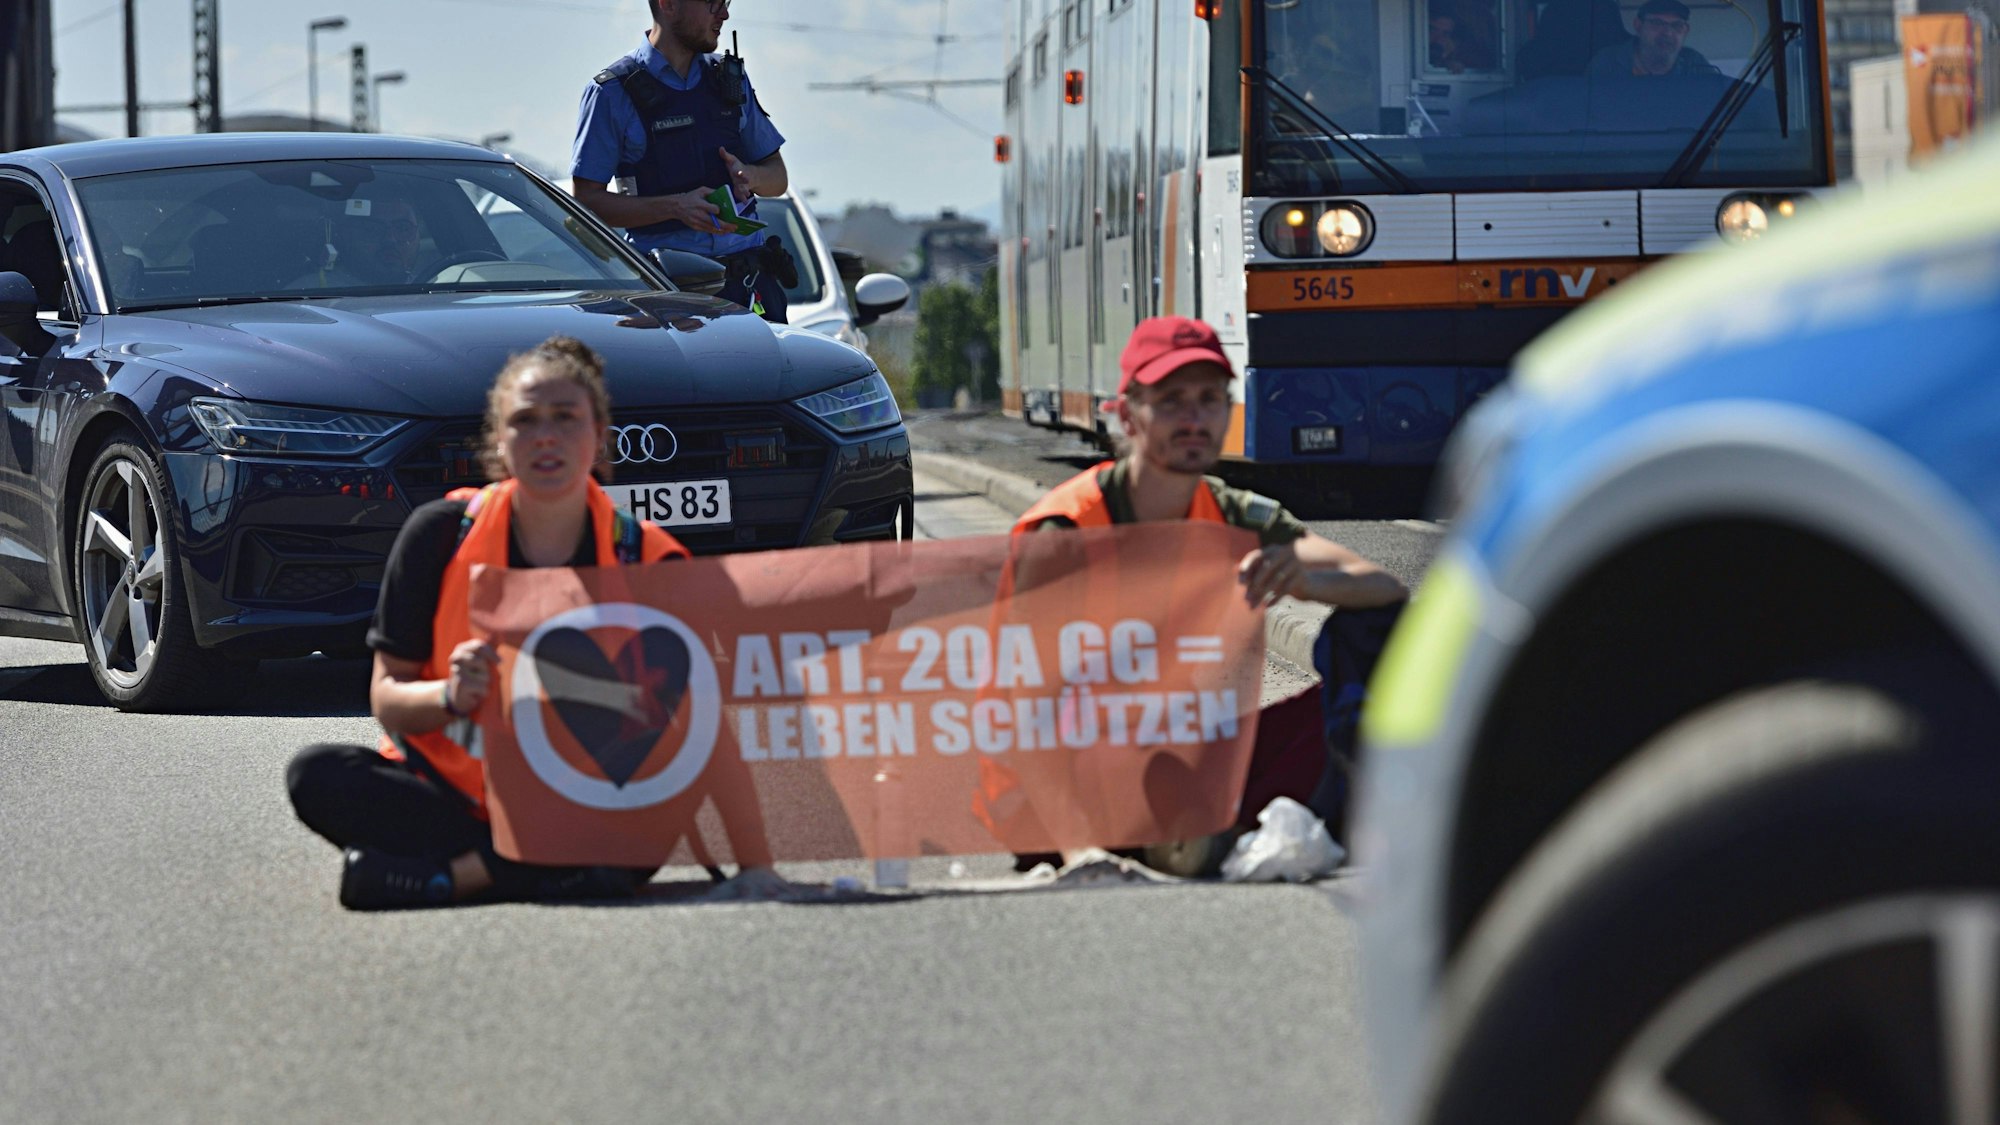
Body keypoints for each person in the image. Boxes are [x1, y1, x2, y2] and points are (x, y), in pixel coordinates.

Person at [286, 337, 778, 909]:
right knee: (317, 773)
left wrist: (757, 865)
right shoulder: (440, 534)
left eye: (566, 418)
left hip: (587, 803)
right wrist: (450, 694)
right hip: (454, 797)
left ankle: (456, 878)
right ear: (499, 439)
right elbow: (387, 698)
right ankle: (530, 869)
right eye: (525, 420)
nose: (546, 435)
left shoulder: (650, 558)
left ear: (599, 437)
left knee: (655, 811)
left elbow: (705, 729)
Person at [1002, 316, 1408, 874]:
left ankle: (1218, 828)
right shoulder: (1066, 530)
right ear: (1127, 415)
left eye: (1210, 399)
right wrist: (1080, 854)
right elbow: (1028, 704)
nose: (1194, 419)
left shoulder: (1232, 511)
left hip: (1188, 752)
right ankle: (1170, 831)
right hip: (1072, 780)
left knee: (1377, 629)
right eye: (1171, 401)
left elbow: (1384, 588)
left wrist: (1310, 581)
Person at [570, 0, 796, 323]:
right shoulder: (611, 93)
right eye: (713, 3)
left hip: (751, 293)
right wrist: (676, 207)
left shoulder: (729, 79)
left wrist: (751, 176)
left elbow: (779, 177)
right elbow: (586, 202)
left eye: (727, 2)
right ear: (669, 4)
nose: (725, 13)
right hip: (666, 300)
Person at [290, 197, 424, 289]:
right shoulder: (305, 293)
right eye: (371, 229)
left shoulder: (435, 285)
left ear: (418, 234)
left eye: (403, 228)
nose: (390, 239)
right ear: (343, 235)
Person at [1586, 0, 1719, 77]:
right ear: (1638, 25)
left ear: (1686, 31)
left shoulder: (1695, 64)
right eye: (1657, 23)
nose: (1668, 32)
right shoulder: (1608, 61)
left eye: (1677, 25)